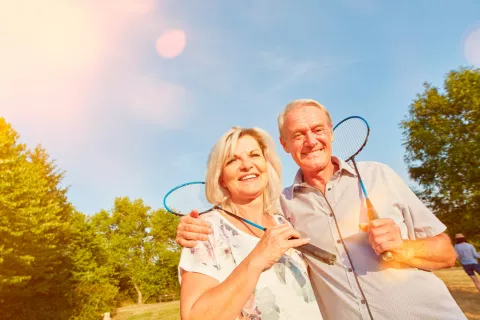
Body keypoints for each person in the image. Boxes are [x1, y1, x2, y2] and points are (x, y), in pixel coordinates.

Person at [176, 99, 467, 320]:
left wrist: (404, 247)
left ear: (331, 133)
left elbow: (446, 253)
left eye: (318, 130)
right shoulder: (284, 208)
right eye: (299, 134)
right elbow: (238, 217)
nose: (311, 140)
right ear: (285, 144)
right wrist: (190, 227)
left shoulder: (379, 175)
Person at [178, 126, 323, 320]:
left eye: (254, 155)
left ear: (266, 164)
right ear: (221, 178)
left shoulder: (284, 221)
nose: (247, 165)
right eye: (232, 160)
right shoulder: (205, 230)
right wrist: (258, 257)